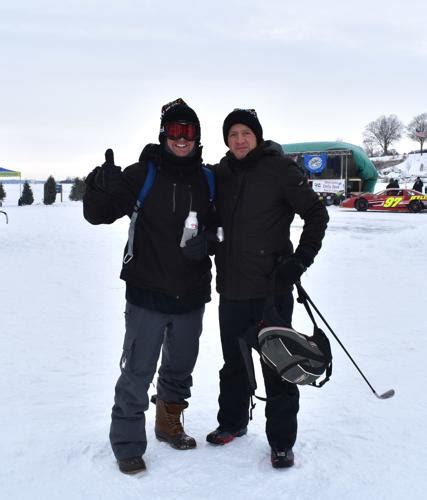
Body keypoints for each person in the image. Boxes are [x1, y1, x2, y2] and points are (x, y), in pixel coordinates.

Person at [83, 98, 216, 475]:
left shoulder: (208, 179)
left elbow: (222, 228)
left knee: (180, 367)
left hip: (191, 294)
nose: (181, 138)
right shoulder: (142, 174)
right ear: (163, 134)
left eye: (189, 132)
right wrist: (98, 187)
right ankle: (127, 443)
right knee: (138, 370)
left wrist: (208, 241)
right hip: (146, 293)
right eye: (174, 131)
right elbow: (97, 214)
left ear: (197, 137)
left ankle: (168, 423)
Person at [206, 108, 329, 469]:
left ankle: (281, 442)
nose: (240, 139)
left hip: (271, 288)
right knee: (233, 363)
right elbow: (213, 217)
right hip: (230, 285)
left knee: (277, 365)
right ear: (226, 139)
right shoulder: (221, 172)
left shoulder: (280, 169)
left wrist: (299, 261)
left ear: (257, 136)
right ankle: (232, 423)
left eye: (246, 133)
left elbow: (316, 215)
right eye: (233, 134)